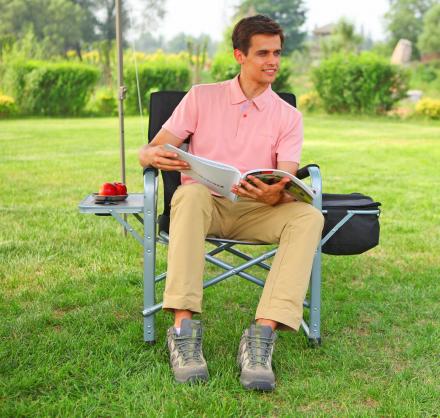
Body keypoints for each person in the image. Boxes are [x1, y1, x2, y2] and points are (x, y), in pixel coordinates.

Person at [138, 15, 324, 391]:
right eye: (263, 53)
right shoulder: (201, 97)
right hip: (204, 206)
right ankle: (183, 331)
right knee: (187, 192)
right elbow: (152, 149)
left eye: (277, 53)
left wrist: (277, 192)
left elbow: (286, 176)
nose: (273, 61)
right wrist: (150, 157)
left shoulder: (288, 116)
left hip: (258, 210)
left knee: (308, 217)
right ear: (240, 55)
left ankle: (260, 337)